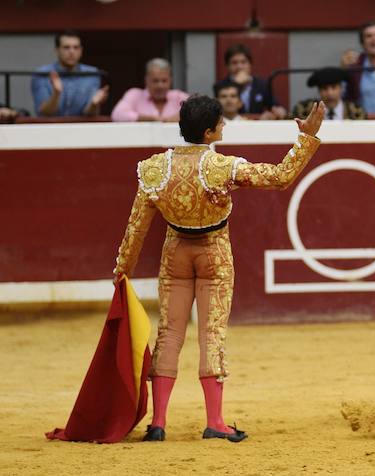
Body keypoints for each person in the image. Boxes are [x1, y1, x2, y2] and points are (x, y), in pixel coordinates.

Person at [112, 95, 324, 442]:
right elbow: (280, 177)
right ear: (209, 132)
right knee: (211, 334)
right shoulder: (223, 167)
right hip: (214, 252)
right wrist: (307, 138)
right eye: (221, 123)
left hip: (175, 251)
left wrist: (122, 270)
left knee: (169, 333)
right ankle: (215, 422)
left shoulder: (153, 169)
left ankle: (158, 423)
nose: (225, 126)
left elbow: (136, 228)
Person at [31, 30, 108, 117]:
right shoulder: (42, 74)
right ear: (57, 50)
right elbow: (45, 113)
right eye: (66, 47)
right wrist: (56, 93)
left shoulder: (92, 74)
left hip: (81, 128)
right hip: (50, 128)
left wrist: (94, 104)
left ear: (81, 50)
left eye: (76, 47)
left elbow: (89, 114)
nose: (72, 52)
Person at [212, 44, 286, 120]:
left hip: (256, 127)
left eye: (243, 62)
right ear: (228, 66)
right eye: (234, 63)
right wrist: (236, 84)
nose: (239, 67)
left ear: (250, 64)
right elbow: (217, 112)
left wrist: (278, 111)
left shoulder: (262, 85)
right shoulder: (220, 86)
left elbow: (274, 106)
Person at [111, 58, 189, 122]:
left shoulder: (178, 96)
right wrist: (147, 119)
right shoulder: (134, 94)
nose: (160, 85)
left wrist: (182, 116)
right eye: (155, 80)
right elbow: (117, 114)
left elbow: (198, 111)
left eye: (164, 80)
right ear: (146, 80)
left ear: (170, 80)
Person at [293, 67, 366, 121]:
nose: (329, 93)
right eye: (324, 88)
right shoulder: (304, 110)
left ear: (341, 89)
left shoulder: (356, 111)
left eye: (334, 87)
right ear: (319, 91)